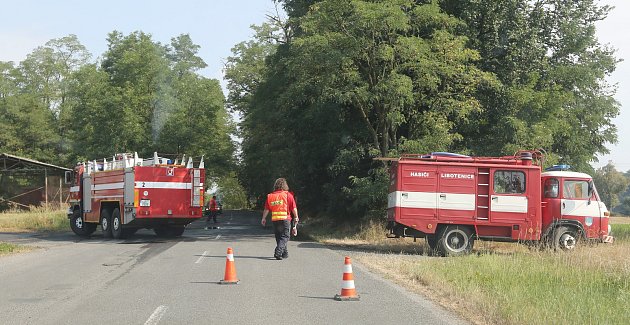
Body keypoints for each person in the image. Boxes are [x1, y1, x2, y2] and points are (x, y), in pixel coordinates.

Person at [261, 178, 299, 260]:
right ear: (285, 185)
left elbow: (266, 209)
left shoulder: (270, 196)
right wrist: (296, 217)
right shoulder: (288, 195)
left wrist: (263, 218)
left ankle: (284, 253)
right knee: (285, 236)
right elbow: (293, 208)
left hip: (275, 220)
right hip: (285, 219)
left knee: (279, 237)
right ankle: (278, 252)